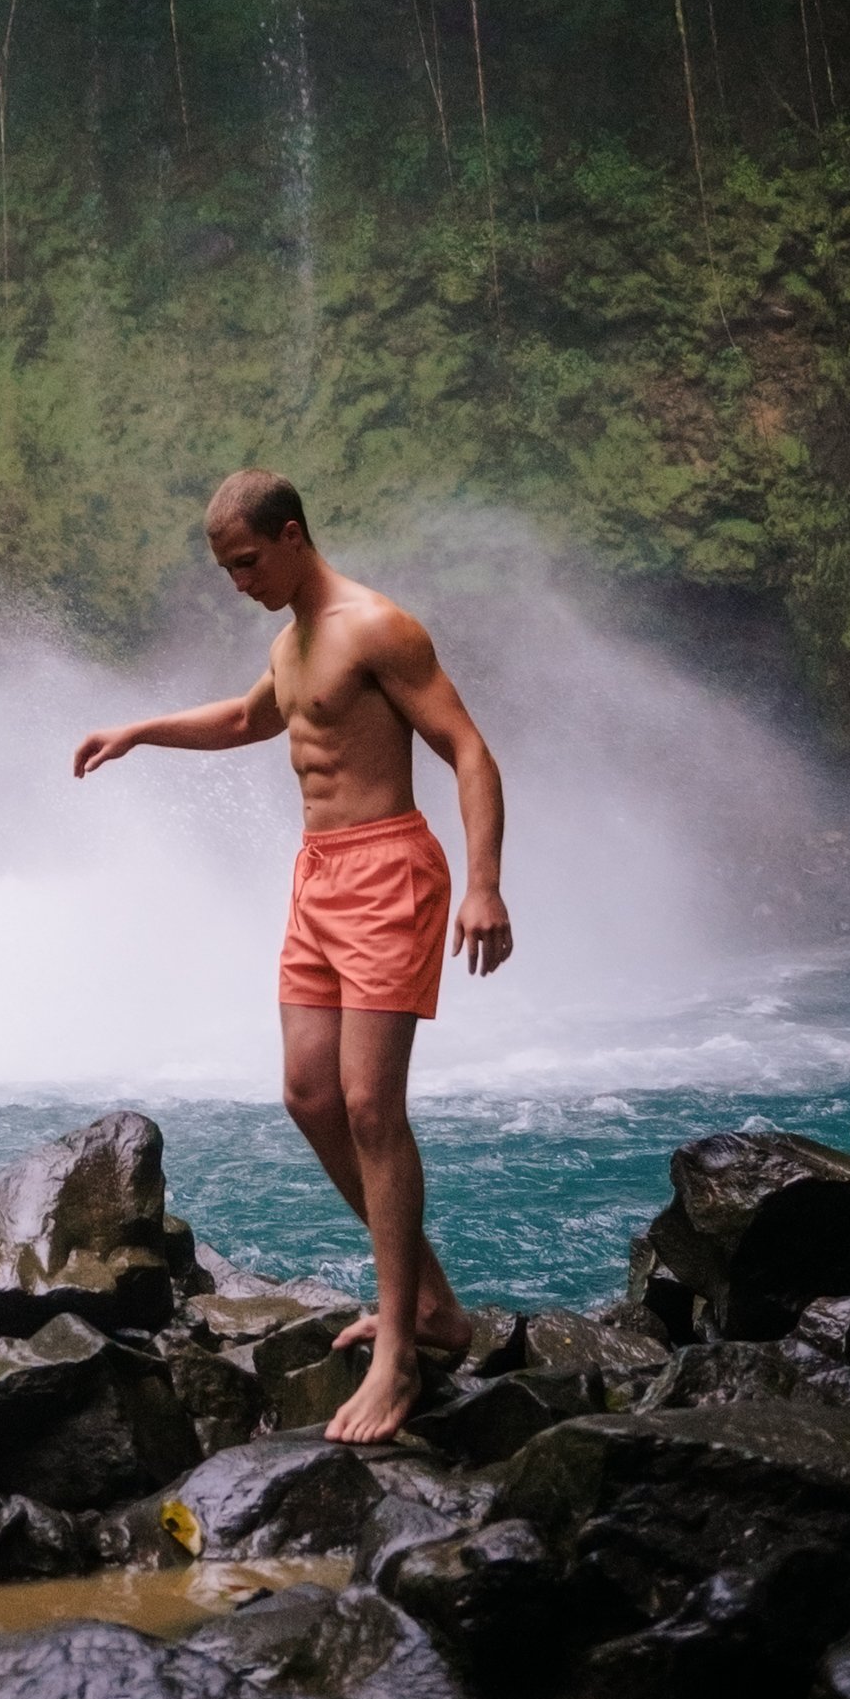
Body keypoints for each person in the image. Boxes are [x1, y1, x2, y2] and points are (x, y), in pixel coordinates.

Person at [73, 469, 512, 1443]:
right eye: (226, 569)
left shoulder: (376, 628)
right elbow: (247, 719)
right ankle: (433, 1303)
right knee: (310, 1096)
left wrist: (483, 883)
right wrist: (139, 730)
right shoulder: (291, 643)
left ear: (290, 533)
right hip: (316, 879)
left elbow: (469, 751)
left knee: (368, 1105)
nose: (237, 582)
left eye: (245, 563)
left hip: (390, 871)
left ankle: (401, 1352)